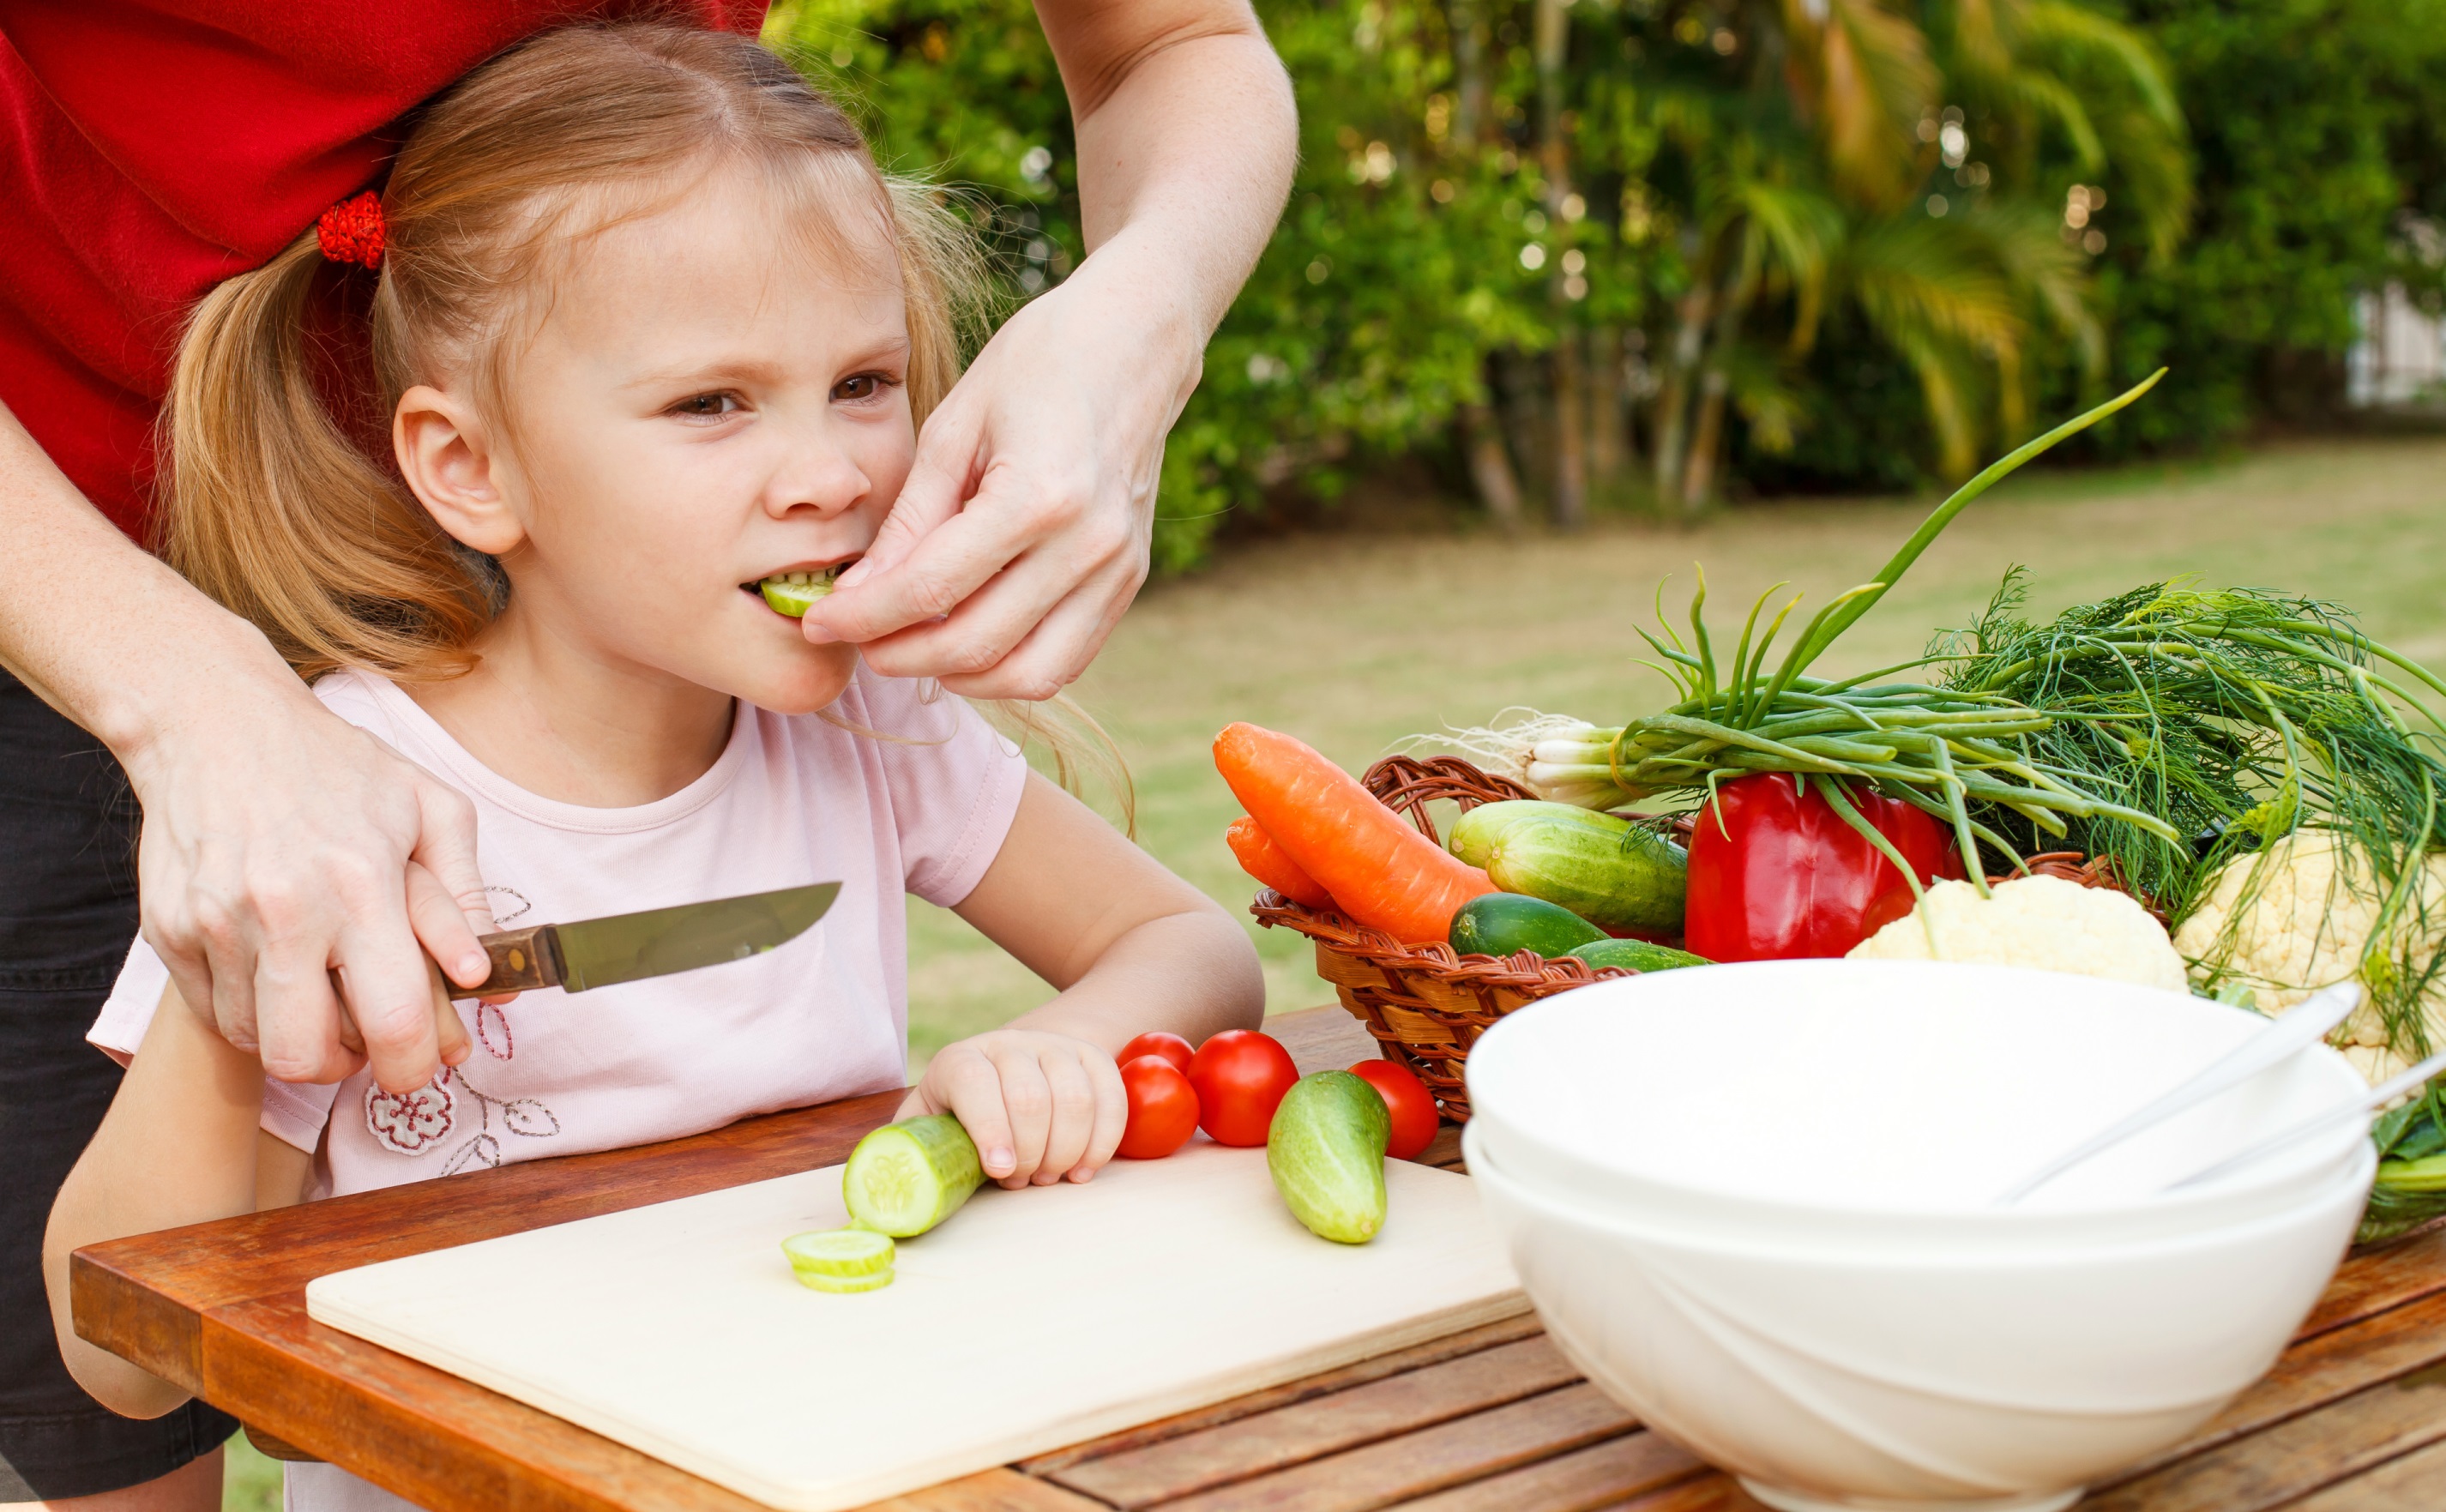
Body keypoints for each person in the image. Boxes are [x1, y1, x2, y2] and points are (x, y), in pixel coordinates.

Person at [0, 2, 1292, 1503]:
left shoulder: (873, 731)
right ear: (469, 468)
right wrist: (249, 1011)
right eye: (711, 405)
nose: (828, 477)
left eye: (864, 385)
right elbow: (120, 1355)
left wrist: (1060, 1048)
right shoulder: (335, 801)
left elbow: (1188, 945)